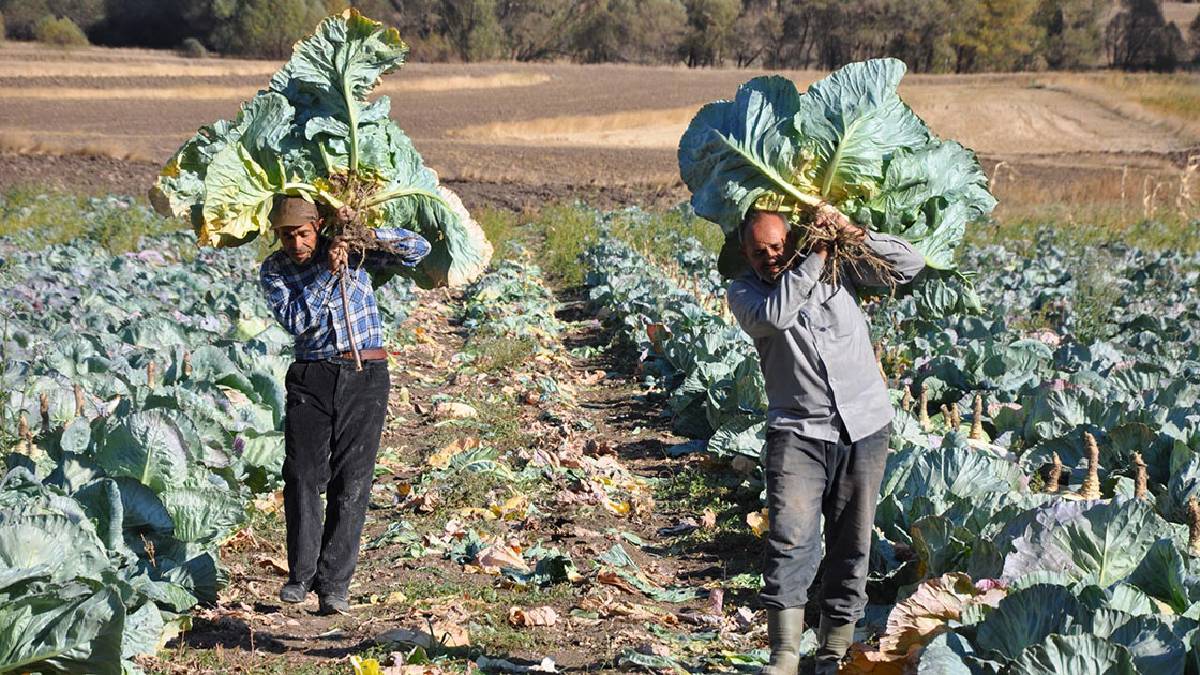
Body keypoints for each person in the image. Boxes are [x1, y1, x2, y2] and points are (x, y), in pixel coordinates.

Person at [725, 207, 925, 674]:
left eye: (777, 247)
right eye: (759, 252)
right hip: (798, 433)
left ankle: (834, 651)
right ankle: (785, 656)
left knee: (852, 543)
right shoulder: (745, 292)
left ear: (791, 237)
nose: (770, 258)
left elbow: (909, 266)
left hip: (865, 426)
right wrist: (813, 258)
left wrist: (851, 232)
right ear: (744, 253)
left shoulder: (840, 268)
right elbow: (776, 318)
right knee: (791, 539)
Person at [259, 195, 430, 614]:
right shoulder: (276, 270)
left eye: (301, 233)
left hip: (365, 374)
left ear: (318, 225)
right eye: (285, 236)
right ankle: (300, 575)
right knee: (301, 475)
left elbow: (418, 249)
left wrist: (361, 235)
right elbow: (297, 321)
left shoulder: (355, 251)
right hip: (311, 376)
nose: (294, 243)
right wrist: (325, 271)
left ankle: (334, 586)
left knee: (352, 481)